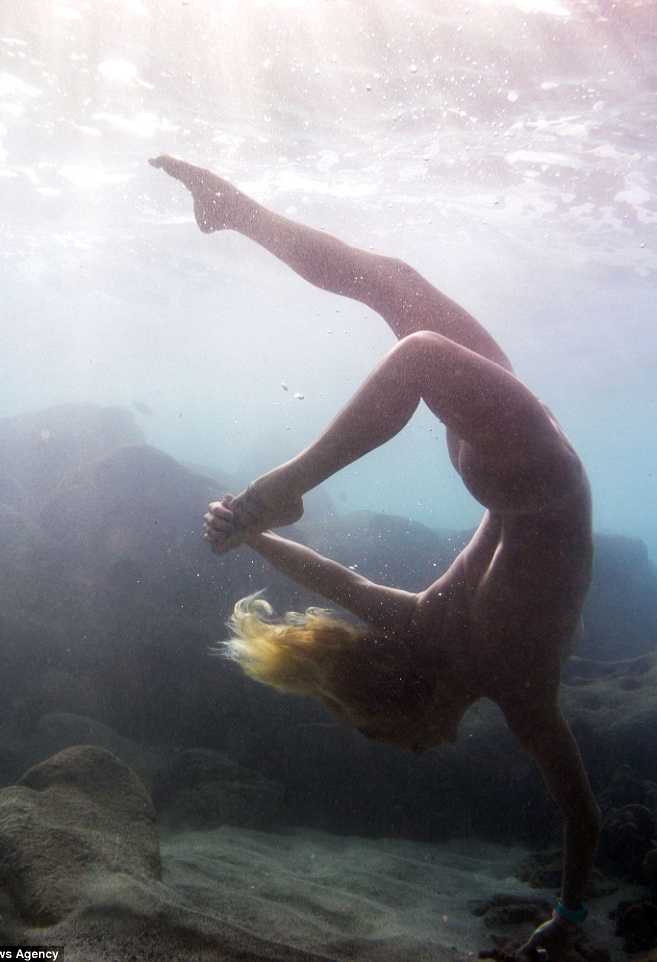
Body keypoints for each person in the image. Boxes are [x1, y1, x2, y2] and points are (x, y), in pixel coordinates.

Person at [150, 155, 600, 960]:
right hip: (513, 464)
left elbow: (581, 814)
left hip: (530, 471)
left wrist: (259, 520)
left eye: (403, 738)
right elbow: (340, 581)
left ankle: (233, 221)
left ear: (417, 706)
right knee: (396, 293)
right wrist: (249, 539)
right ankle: (237, 220)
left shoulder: (499, 675)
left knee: (410, 320)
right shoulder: (469, 654)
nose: (424, 747)